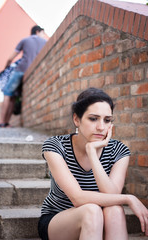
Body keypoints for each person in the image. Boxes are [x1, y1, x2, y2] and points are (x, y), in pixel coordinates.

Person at [38, 87, 148, 240]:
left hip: (102, 222)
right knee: (91, 210)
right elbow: (77, 198)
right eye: (93, 119)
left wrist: (92, 153)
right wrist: (129, 198)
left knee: (115, 209)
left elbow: (111, 195)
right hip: (60, 221)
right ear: (77, 119)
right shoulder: (56, 146)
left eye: (107, 120)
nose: (101, 127)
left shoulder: (119, 150)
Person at [0, 25, 47, 127]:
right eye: (42, 33)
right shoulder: (45, 42)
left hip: (20, 70)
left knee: (8, 94)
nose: (43, 35)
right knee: (13, 97)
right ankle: (6, 123)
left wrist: (5, 68)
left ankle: (2, 122)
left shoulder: (25, 40)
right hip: (33, 74)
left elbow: (10, 58)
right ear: (37, 32)